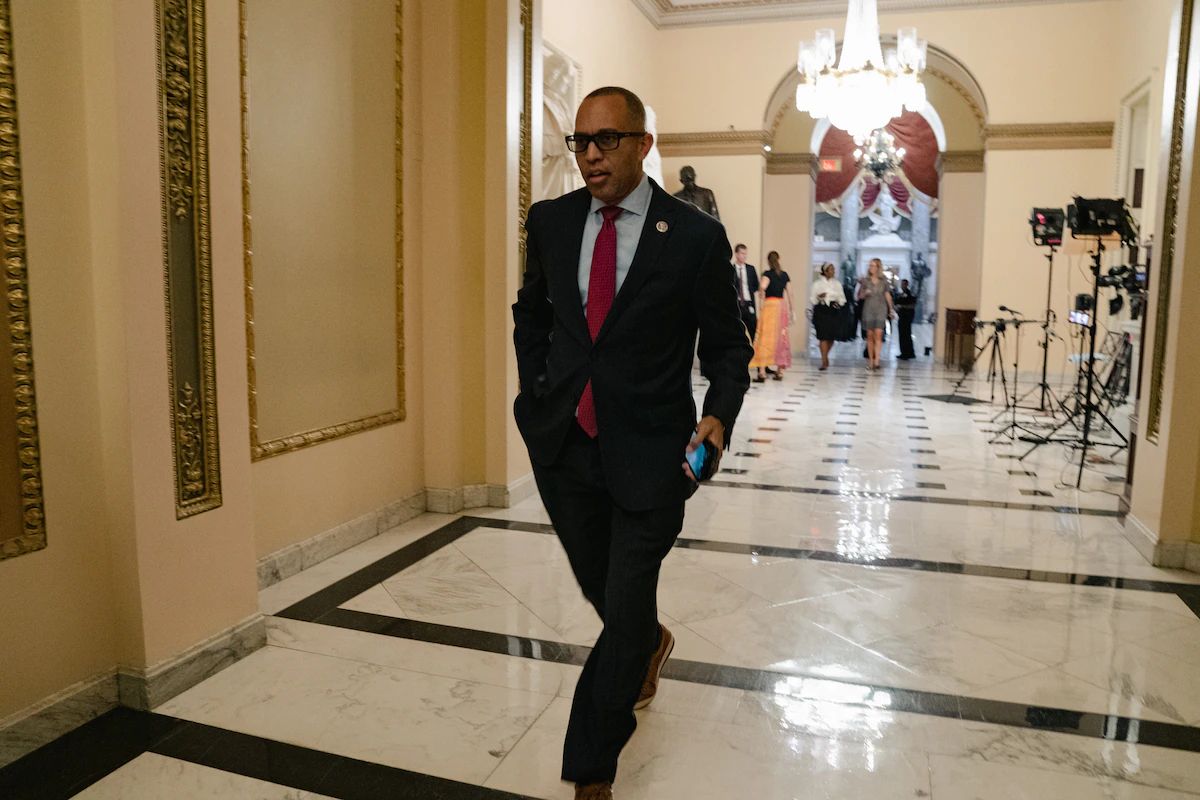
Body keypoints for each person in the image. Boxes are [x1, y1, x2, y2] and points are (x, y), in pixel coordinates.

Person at [512, 86, 752, 800]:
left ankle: (592, 770)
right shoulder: (551, 221)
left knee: (622, 605)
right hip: (565, 444)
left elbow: (729, 347)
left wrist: (719, 416)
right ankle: (650, 643)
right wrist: (537, 389)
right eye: (580, 141)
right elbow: (532, 313)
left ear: (643, 144)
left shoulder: (695, 237)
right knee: (607, 593)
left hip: (653, 452)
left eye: (607, 140)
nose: (590, 155)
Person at [749, 251, 795, 382]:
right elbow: (790, 294)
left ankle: (762, 372)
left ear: (768, 261)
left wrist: (761, 294)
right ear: (779, 259)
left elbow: (763, 287)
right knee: (782, 338)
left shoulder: (767, 274)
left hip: (770, 307)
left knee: (764, 338)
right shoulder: (784, 275)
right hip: (781, 307)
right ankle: (780, 371)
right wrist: (793, 311)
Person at [856, 258, 895, 370]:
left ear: (878, 267)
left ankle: (877, 360)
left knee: (878, 334)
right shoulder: (865, 280)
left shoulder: (884, 281)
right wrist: (864, 292)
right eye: (870, 265)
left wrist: (891, 309)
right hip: (868, 309)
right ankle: (871, 361)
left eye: (873, 265)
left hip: (881, 309)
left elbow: (887, 295)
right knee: (870, 335)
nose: (871, 267)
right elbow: (859, 296)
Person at [810, 262, 846, 370]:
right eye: (831, 269)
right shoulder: (817, 284)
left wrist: (838, 303)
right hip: (821, 310)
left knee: (831, 337)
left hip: (833, 311)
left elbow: (842, 298)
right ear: (825, 271)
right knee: (823, 336)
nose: (833, 271)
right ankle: (824, 360)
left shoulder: (837, 284)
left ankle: (825, 354)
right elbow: (812, 299)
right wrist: (819, 297)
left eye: (834, 269)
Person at [731, 243, 758, 344]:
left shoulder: (751, 269)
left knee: (752, 327)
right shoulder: (731, 269)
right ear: (736, 254)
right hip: (737, 303)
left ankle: (753, 349)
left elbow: (755, 285)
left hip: (749, 303)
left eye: (745, 254)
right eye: (742, 253)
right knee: (737, 329)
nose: (744, 256)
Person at [894, 278, 917, 360]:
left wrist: (902, 306)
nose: (902, 286)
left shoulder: (910, 294)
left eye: (904, 284)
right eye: (901, 284)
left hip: (907, 317)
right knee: (903, 334)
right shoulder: (901, 294)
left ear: (907, 285)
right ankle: (906, 352)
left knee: (906, 334)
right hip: (902, 316)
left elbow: (912, 305)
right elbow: (896, 302)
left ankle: (906, 353)